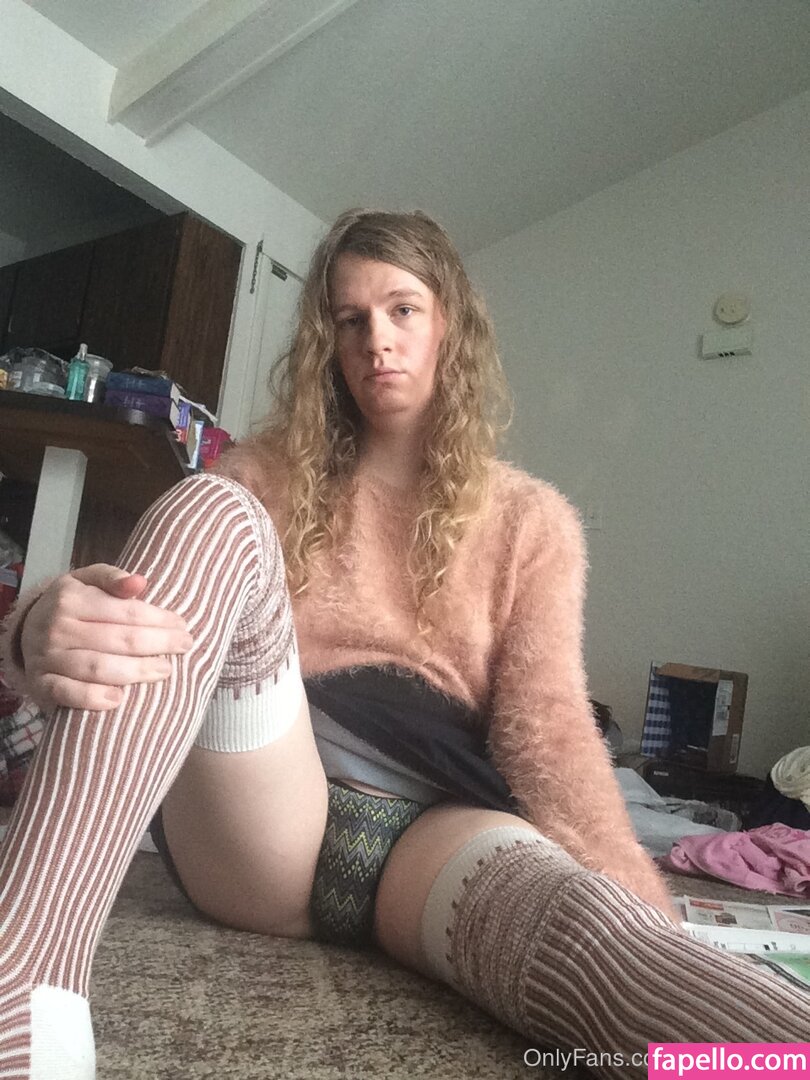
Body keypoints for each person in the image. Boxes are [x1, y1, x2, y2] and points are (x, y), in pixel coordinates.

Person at [0, 209, 807, 1080]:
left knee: (606, 947)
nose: (376, 340)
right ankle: (27, 984)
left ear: (449, 325)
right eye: (350, 320)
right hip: (269, 798)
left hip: (440, 827)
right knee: (210, 507)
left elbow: (549, 733)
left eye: (402, 310)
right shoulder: (264, 474)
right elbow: (140, 608)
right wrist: (36, 626)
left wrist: (644, 909)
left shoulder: (532, 520)